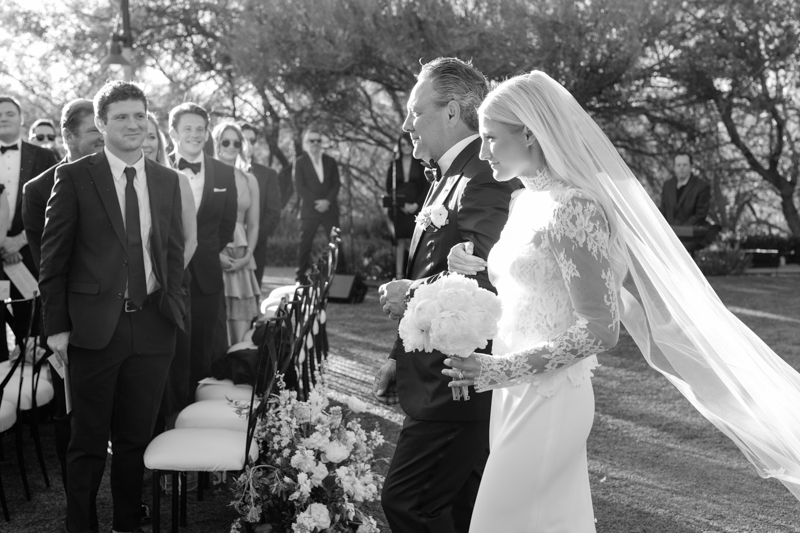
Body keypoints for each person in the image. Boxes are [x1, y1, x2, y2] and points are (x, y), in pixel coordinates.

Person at [444, 71, 800, 531]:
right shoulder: (523, 203)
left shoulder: (574, 208)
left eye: (492, 137)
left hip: (551, 397)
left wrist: (498, 370)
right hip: (512, 392)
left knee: (496, 522)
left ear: (529, 133)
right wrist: (469, 271)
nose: (482, 150)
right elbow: (527, 296)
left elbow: (600, 328)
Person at [372, 57, 517, 533]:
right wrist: (400, 353)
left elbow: (488, 280)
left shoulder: (482, 178)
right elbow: (437, 269)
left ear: (452, 111)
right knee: (464, 511)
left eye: (416, 111)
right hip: (434, 374)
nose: (408, 123)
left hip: (456, 382)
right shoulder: (447, 176)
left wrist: (409, 290)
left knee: (408, 503)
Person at [39, 80, 185, 533]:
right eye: (121, 116)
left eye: (139, 115)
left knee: (134, 439)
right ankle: (79, 525)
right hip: (93, 329)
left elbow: (174, 253)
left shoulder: (166, 179)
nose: (133, 124)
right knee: (86, 441)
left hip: (153, 328)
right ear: (101, 124)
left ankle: (127, 522)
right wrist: (57, 328)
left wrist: (174, 311)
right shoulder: (75, 176)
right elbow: (54, 257)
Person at [22, 98, 104, 493]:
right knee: (70, 412)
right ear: (68, 136)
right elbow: (49, 265)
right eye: (93, 133)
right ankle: (77, 498)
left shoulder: (124, 177)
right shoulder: (39, 190)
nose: (100, 140)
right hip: (69, 315)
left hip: (118, 313)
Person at [167, 102, 237, 396]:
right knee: (172, 342)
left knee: (206, 342)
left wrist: (206, 251)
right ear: (173, 133)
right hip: (168, 273)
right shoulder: (158, 168)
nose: (194, 134)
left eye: (200, 129)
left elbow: (227, 224)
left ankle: (201, 404)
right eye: (187, 128)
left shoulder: (223, 172)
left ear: (207, 133)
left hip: (207, 273)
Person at [142, 112, 198, 428]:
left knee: (171, 366)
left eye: (153, 136)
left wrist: (166, 281)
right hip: (133, 293)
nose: (147, 142)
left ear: (160, 141)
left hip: (171, 289)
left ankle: (172, 433)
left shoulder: (178, 180)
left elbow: (190, 240)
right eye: (142, 135)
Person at [0, 95, 59, 361]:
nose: (3, 118)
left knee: (32, 324)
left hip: (29, 253)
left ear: (21, 119)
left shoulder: (44, 156)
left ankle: (36, 392)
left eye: (10, 113)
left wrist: (19, 241)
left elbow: (53, 207)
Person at [212, 122, 261, 344]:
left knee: (240, 325)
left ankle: (237, 370)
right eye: (225, 141)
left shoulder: (249, 179)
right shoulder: (207, 174)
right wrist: (215, 255)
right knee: (214, 322)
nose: (231, 146)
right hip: (212, 254)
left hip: (242, 256)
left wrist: (248, 255)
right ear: (216, 143)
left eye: (236, 142)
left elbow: (254, 224)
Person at [294, 126, 342, 283]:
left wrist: (326, 201)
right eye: (311, 141)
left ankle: (340, 277)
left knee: (336, 243)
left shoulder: (331, 161)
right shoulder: (300, 162)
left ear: (322, 143)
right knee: (305, 244)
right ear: (306, 143)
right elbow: (300, 187)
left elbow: (336, 184)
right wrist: (316, 203)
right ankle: (300, 277)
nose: (315, 143)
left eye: (318, 140)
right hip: (310, 209)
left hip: (330, 209)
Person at [240, 123, 281, 287]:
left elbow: (273, 214)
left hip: (256, 250)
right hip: (221, 250)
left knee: (252, 306)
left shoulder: (268, 174)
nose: (248, 144)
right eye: (243, 139)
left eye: (252, 140)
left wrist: (251, 239)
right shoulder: (216, 171)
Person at [384, 131, 428, 279]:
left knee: (415, 240)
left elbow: (425, 187)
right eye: (403, 145)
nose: (406, 147)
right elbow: (389, 188)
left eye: (409, 144)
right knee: (399, 242)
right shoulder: (394, 164)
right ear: (399, 146)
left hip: (416, 207)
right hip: (398, 209)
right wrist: (401, 205)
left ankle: (414, 274)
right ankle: (398, 275)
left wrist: (416, 205)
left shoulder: (420, 162)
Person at [660, 152, 711, 253]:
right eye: (678, 165)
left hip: (690, 237)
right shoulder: (667, 185)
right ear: (674, 167)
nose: (681, 168)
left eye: (684, 165)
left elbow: (700, 214)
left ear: (691, 166)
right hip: (668, 234)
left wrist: (680, 230)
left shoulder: (701, 186)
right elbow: (663, 209)